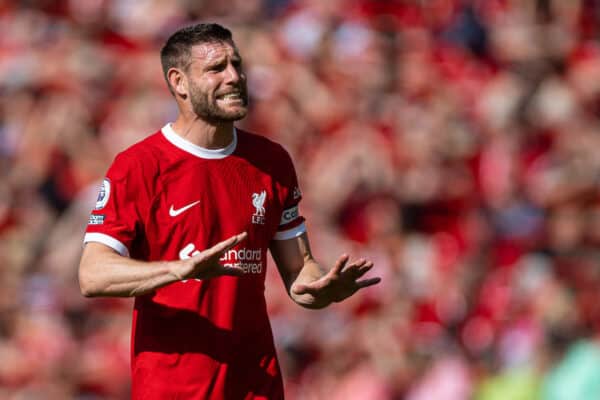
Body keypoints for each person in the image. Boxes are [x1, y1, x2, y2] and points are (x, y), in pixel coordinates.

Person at [78, 23, 380, 400]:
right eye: (216, 68)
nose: (235, 76)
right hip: (174, 389)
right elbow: (92, 274)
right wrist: (178, 270)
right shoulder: (140, 165)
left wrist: (321, 289)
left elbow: (299, 272)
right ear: (179, 82)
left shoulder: (271, 161)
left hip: (256, 386)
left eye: (237, 64)